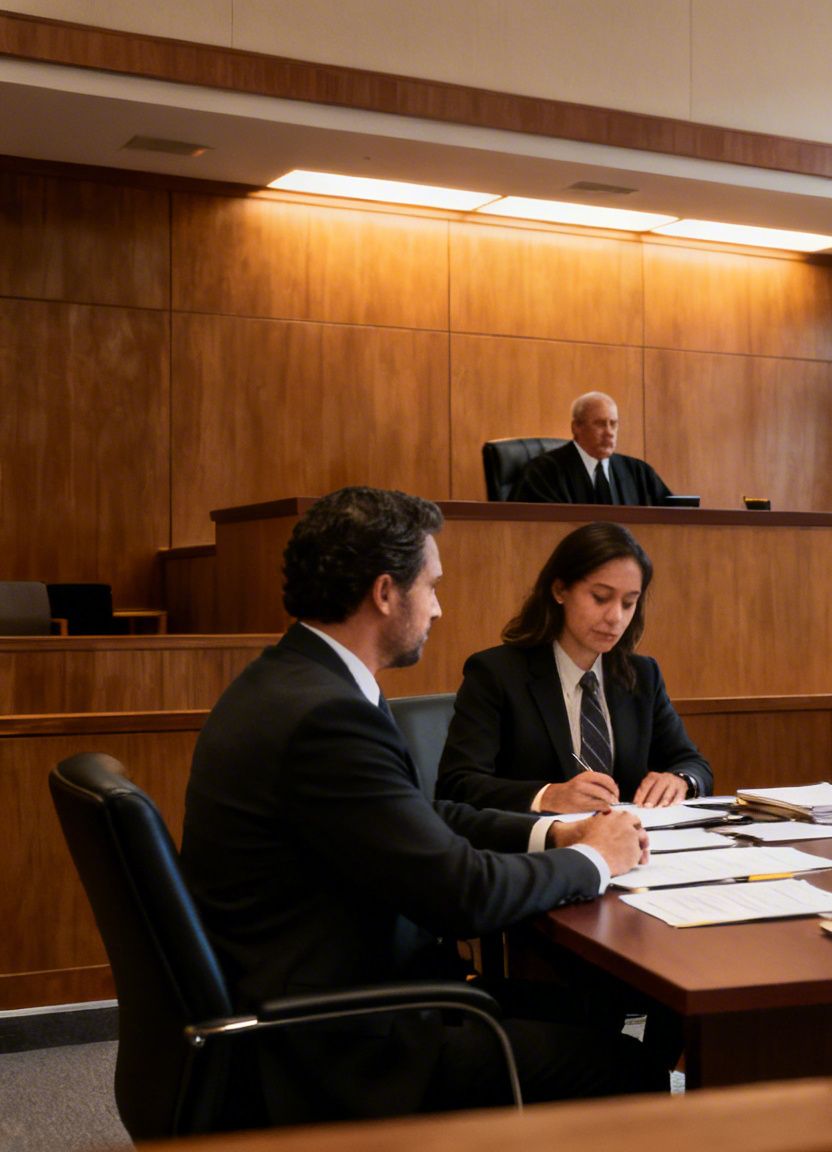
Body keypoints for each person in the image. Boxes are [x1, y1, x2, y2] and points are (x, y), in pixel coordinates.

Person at [181, 487, 672, 1125]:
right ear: (386, 593)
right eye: (432, 587)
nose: (438, 609)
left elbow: (422, 817)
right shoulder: (326, 717)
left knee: (593, 1011)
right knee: (630, 1066)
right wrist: (592, 859)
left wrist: (554, 833)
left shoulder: (298, 682)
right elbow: (461, 894)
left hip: (336, 991)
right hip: (345, 1042)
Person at [438, 522, 712, 812]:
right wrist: (547, 796)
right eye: (600, 598)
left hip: (631, 846)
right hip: (536, 848)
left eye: (629, 603)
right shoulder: (496, 673)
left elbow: (694, 764)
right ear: (560, 590)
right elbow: (457, 784)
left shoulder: (643, 675)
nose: (615, 618)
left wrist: (682, 780)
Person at [512, 391, 674, 505]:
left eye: (613, 424)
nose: (609, 432)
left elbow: (673, 514)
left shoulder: (638, 472)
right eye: (600, 424)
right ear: (576, 427)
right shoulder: (543, 472)